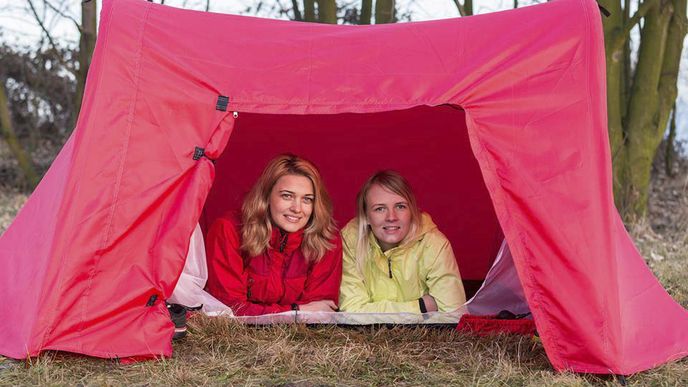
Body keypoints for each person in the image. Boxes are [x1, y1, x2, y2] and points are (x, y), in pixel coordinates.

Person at [204, 154, 342, 316]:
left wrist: (298, 313)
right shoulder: (229, 230)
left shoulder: (326, 239)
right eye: (287, 196)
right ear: (266, 196)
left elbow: (319, 310)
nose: (297, 208)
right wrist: (296, 311)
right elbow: (229, 308)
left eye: (307, 199)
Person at [339, 170, 466, 313]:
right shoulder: (351, 241)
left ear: (411, 211)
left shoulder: (433, 244)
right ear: (366, 216)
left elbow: (453, 313)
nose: (391, 217)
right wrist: (421, 306)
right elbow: (352, 311)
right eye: (380, 209)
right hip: (368, 335)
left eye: (400, 206)